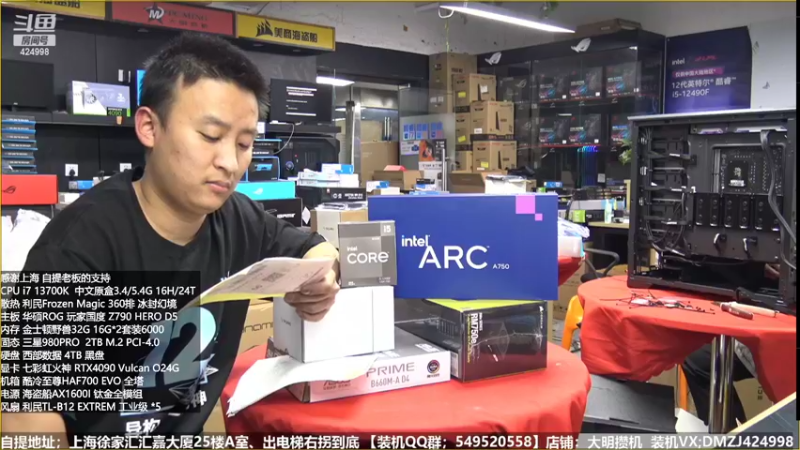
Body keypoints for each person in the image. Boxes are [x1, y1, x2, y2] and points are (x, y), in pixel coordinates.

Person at [2, 33, 339, 438]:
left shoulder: (238, 218)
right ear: (149, 126)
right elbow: (26, 420)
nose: (230, 162)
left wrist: (321, 278)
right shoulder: (78, 247)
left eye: (244, 143)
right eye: (210, 136)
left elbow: (315, 247)